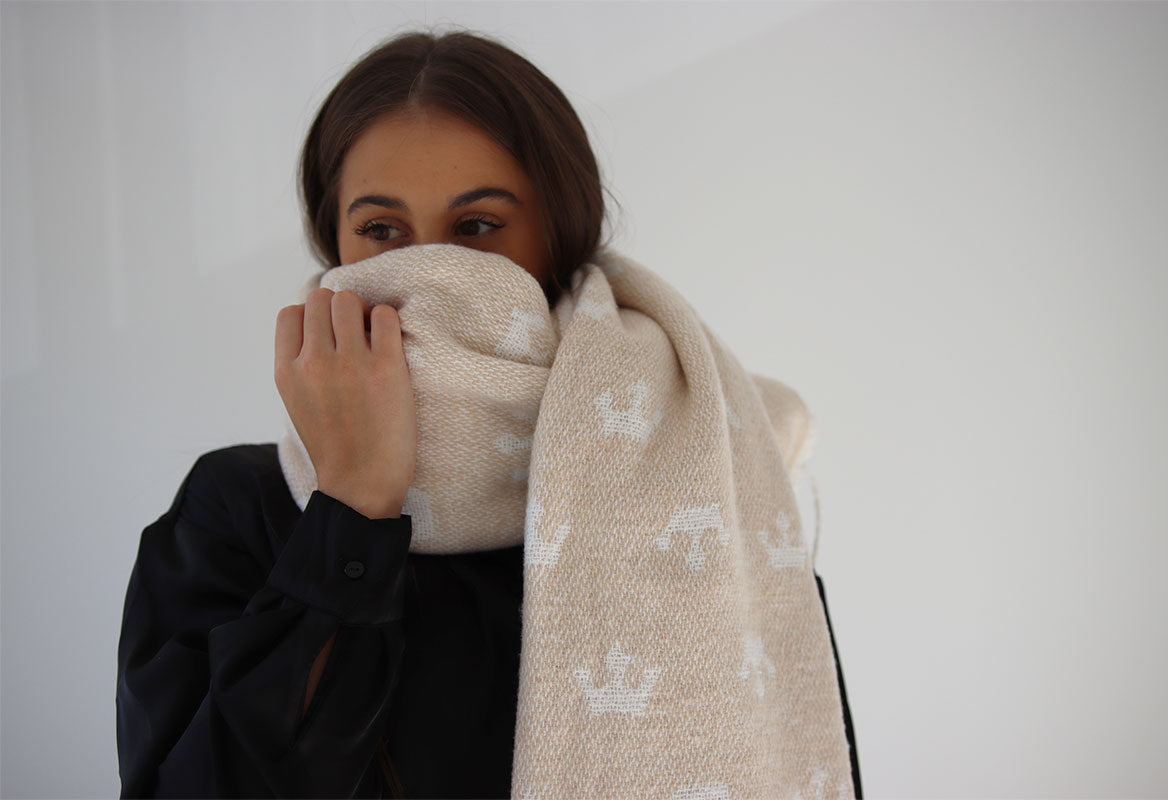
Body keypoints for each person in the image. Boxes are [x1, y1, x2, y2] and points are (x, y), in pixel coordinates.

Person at [115, 28, 861, 799]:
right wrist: (352, 508)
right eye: (381, 230)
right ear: (333, 245)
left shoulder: (709, 479)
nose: (432, 265)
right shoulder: (238, 512)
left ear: (557, 240)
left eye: (476, 228)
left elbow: (802, 751)